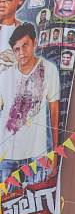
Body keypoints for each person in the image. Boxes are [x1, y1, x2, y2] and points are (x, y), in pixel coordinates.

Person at [0, 24, 60, 182]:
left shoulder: (49, 70)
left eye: (25, 45)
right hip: (6, 157)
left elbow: (54, 113)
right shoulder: (5, 74)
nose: (21, 53)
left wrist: (54, 152)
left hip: (36, 157)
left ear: (35, 42)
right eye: (17, 49)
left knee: (34, 204)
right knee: (5, 205)